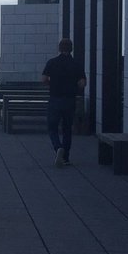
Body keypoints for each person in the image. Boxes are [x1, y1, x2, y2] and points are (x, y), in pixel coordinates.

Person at [42, 38, 87, 167]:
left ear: (59, 48)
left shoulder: (52, 62)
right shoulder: (76, 64)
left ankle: (58, 147)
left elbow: (44, 79)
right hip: (70, 100)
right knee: (67, 129)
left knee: (52, 128)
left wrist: (52, 84)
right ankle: (66, 158)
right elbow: (82, 83)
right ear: (71, 49)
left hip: (55, 98)